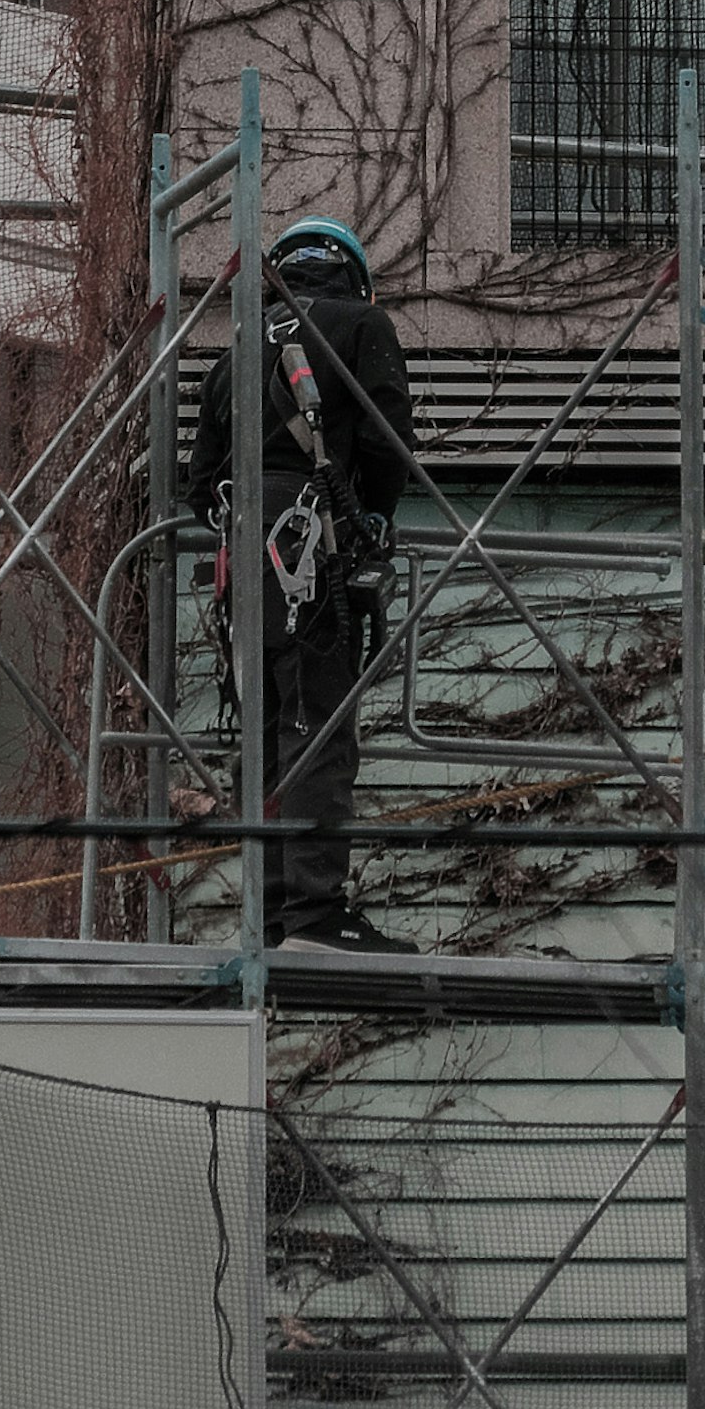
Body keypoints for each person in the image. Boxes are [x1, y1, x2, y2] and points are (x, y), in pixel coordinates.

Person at [188, 213, 418, 949]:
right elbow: (388, 443)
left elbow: (200, 482)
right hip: (312, 544)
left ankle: (277, 909)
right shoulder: (361, 324)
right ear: (350, 272)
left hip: (246, 551)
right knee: (317, 722)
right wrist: (370, 519)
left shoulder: (233, 355)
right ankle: (316, 910)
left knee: (266, 725)